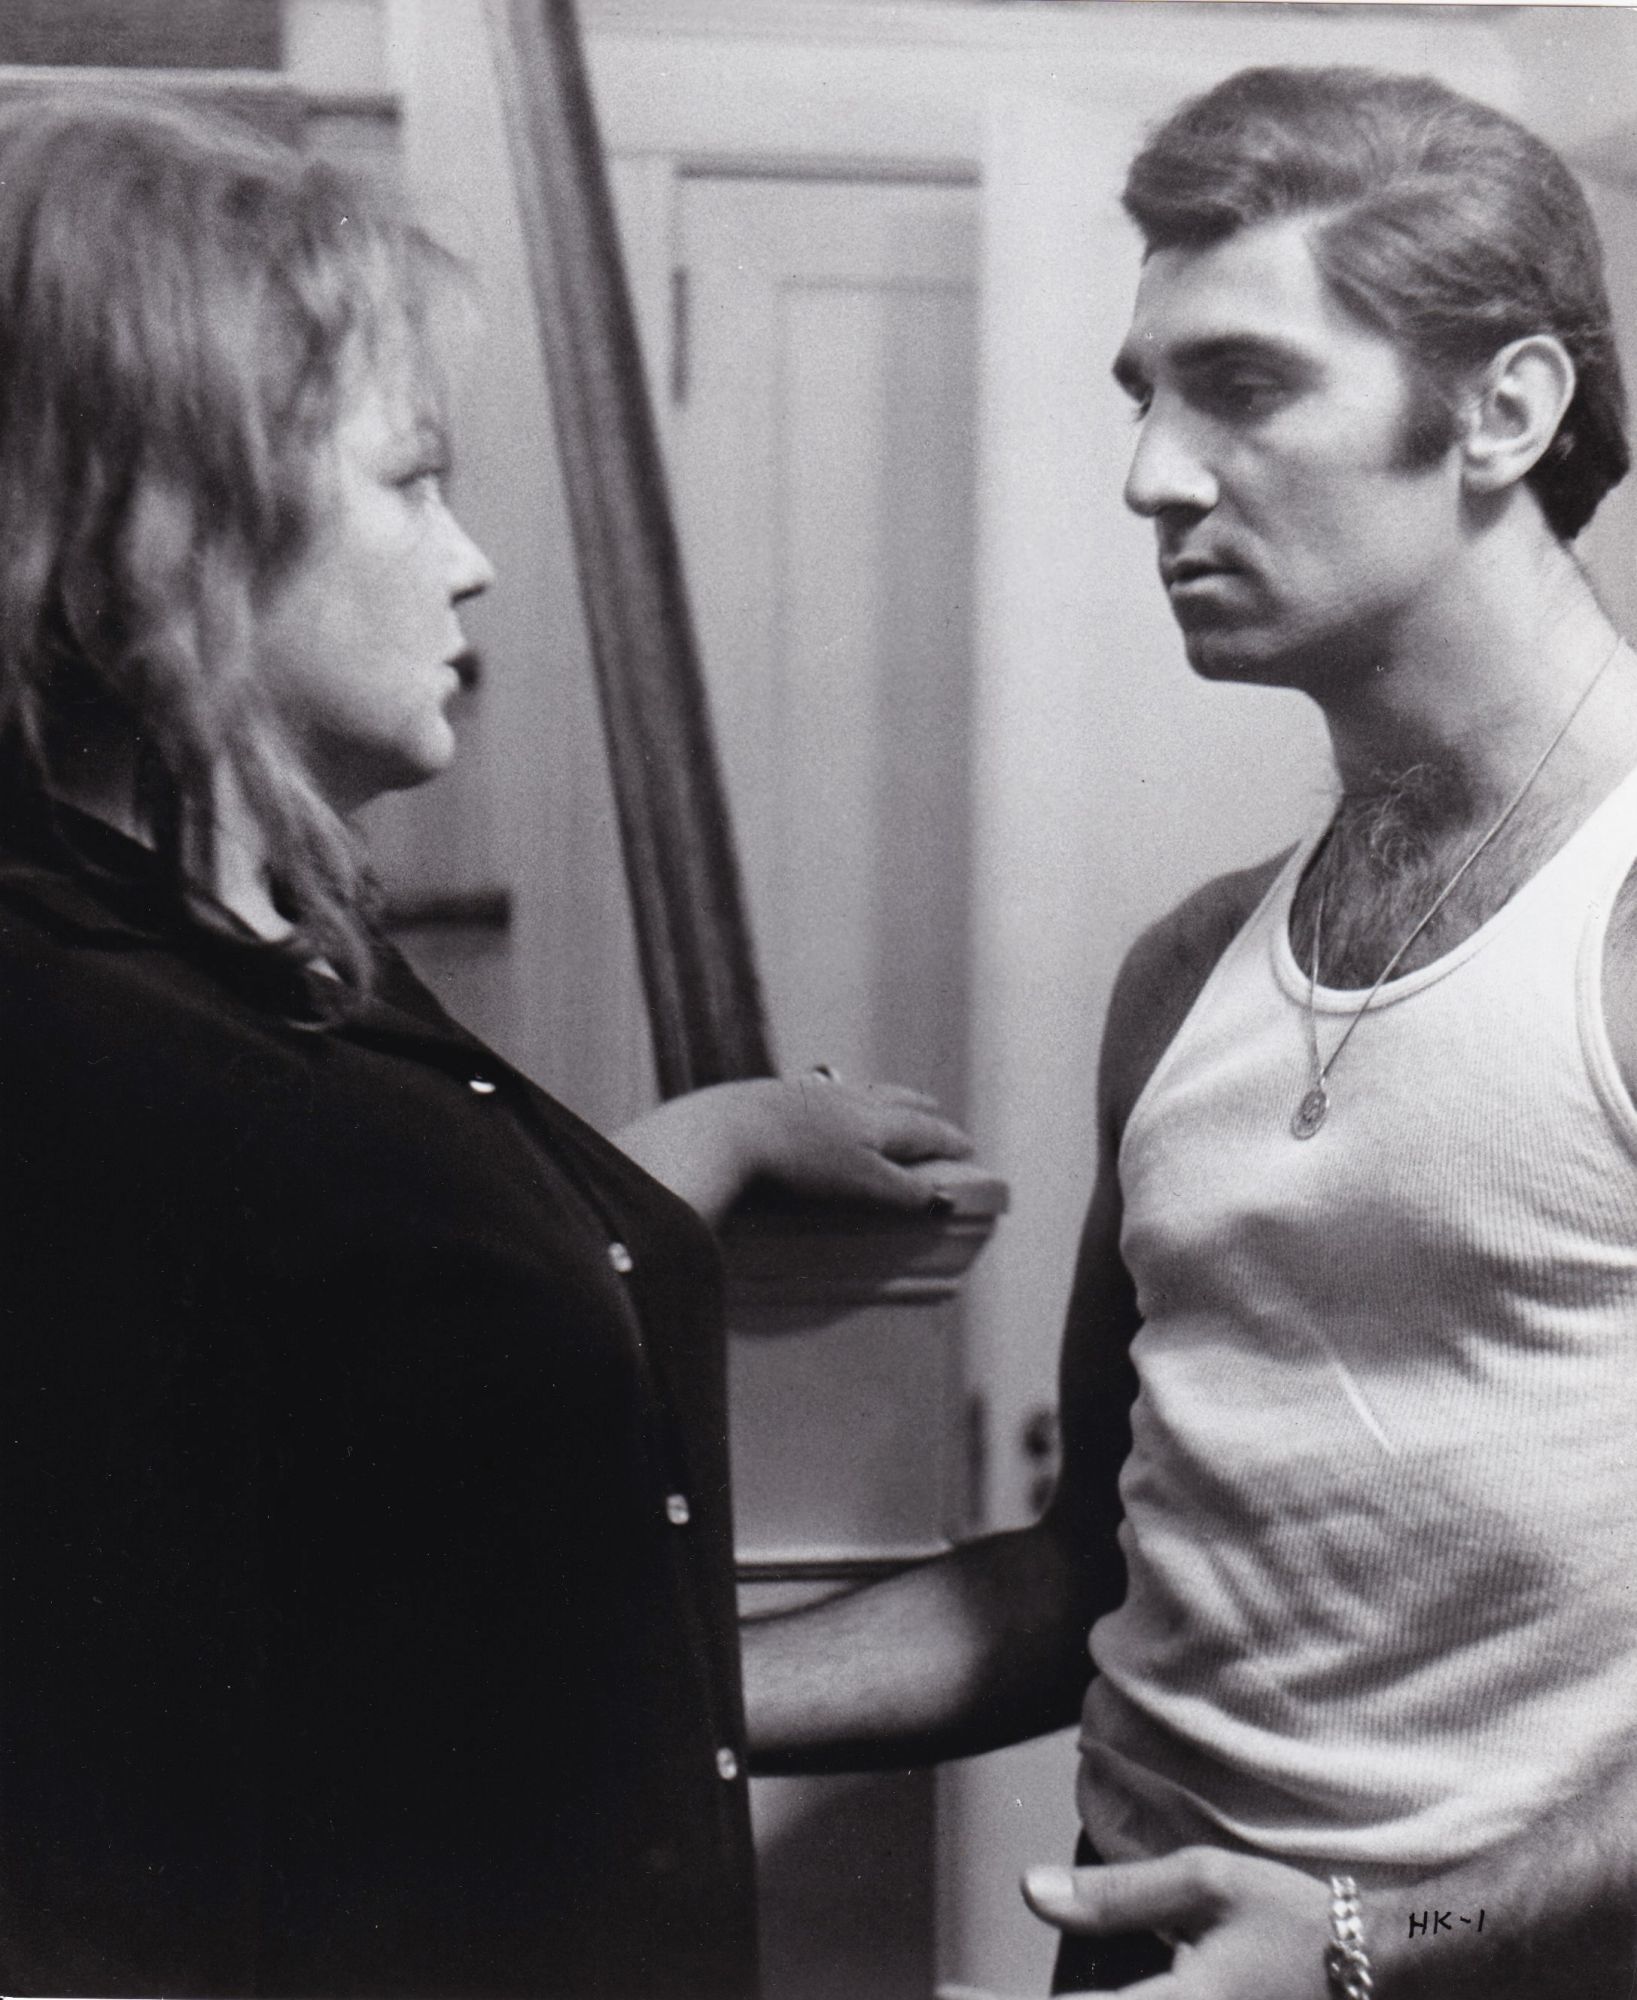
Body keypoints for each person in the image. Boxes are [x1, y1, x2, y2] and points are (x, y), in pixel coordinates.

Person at [0, 89, 971, 1999]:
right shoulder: (71, 1048)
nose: (473, 561)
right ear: (167, 531)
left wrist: (711, 1136)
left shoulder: (264, 947)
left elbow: (397, 1276)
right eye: (410, 480)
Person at [744, 64, 1637, 1997]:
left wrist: (1374, 1944)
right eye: (1143, 396)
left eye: (1240, 386)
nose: (1151, 475)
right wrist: (632, 1695)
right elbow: (1092, 1573)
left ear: (1504, 410)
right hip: (1145, 1951)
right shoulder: (1192, 966)